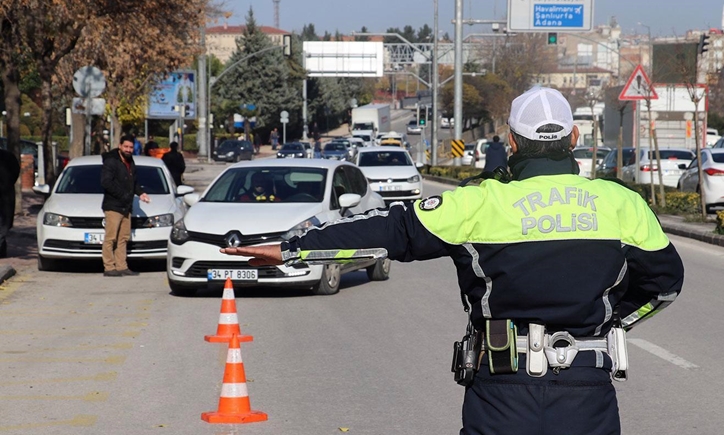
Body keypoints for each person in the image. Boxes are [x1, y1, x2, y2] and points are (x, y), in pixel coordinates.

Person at [220, 87, 684, 434]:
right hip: (588, 391)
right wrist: (612, 323)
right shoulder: (622, 203)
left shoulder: (478, 204)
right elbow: (665, 285)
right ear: (575, 137)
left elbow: (388, 230)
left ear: (512, 142)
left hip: (502, 391)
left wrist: (291, 246)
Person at [100, 134, 150, 277]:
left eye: (130, 147)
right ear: (120, 146)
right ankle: (109, 267)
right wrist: (123, 195)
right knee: (111, 238)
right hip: (113, 206)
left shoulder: (130, 161)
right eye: (126, 147)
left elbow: (133, 182)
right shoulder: (111, 161)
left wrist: (141, 193)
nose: (128, 150)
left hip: (126, 206)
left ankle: (122, 266)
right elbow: (106, 182)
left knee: (123, 238)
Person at [0, 148, 20, 258]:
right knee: (3, 226)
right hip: (6, 195)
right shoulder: (9, 157)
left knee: (2, 226)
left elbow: (14, 172)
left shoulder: (7, 157)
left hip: (5, 196)